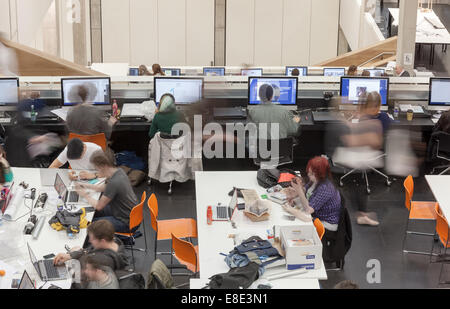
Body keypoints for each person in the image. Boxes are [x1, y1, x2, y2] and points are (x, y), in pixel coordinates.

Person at [74, 150, 138, 233]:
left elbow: (99, 206)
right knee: (90, 212)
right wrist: (86, 185)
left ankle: (92, 242)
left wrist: (84, 195)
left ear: (103, 166)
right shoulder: (119, 172)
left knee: (89, 223)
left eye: (96, 168)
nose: (96, 170)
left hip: (126, 222)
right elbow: (105, 188)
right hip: (128, 214)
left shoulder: (114, 182)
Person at [282, 156, 342, 232]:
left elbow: (308, 210)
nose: (309, 175)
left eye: (312, 174)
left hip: (325, 224)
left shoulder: (325, 188)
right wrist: (297, 191)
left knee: (293, 225)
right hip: (314, 214)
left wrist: (299, 190)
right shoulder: (315, 180)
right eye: (309, 172)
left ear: (321, 174)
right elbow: (306, 191)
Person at [53, 220, 128, 272]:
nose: (90, 241)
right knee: (76, 248)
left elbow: (81, 274)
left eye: (92, 239)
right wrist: (70, 256)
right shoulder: (114, 241)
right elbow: (87, 251)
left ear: (102, 241)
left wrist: (68, 261)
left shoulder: (104, 261)